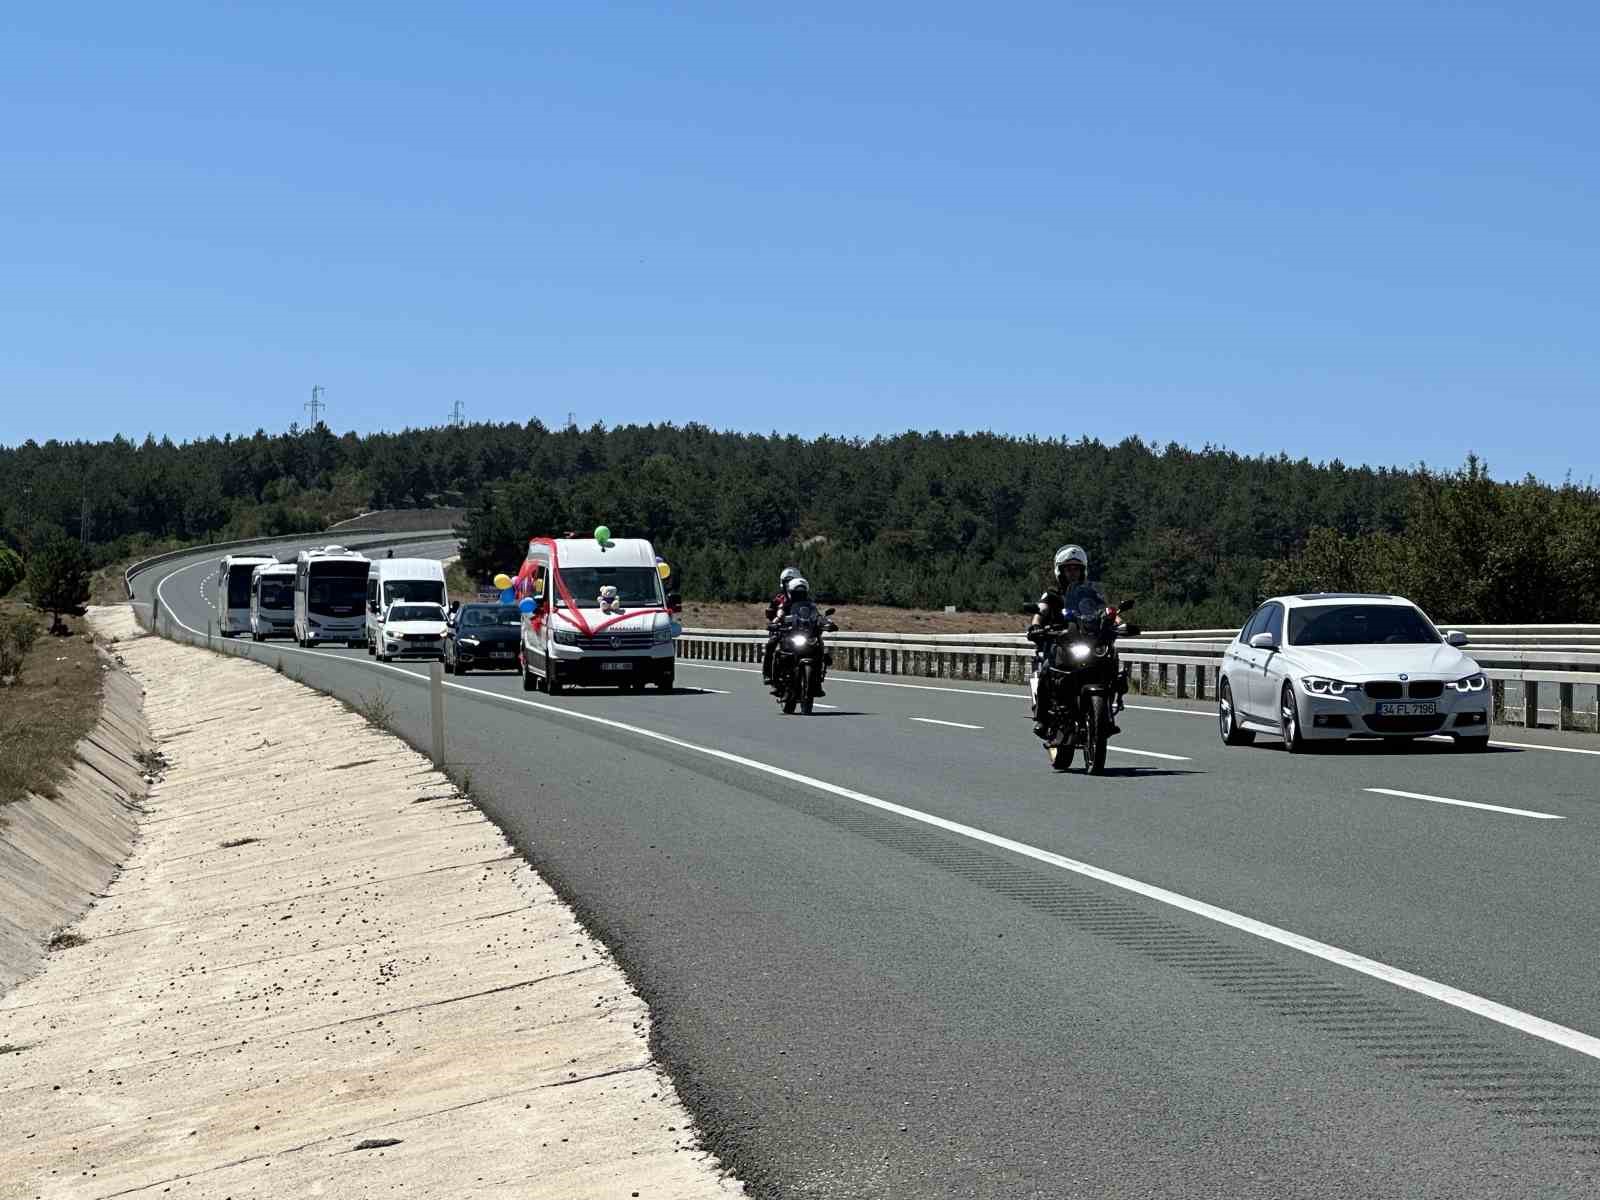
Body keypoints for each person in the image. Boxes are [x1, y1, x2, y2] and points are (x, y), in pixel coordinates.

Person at [1028, 544, 1113, 738]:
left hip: (1084, 640)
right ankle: (1042, 718)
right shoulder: (1052, 594)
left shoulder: (1090, 592)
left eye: (1076, 568)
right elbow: (1041, 610)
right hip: (1059, 642)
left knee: (1108, 663)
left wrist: (1118, 622)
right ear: (1061, 570)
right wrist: (1036, 625)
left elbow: (1105, 609)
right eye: (1069, 568)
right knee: (1047, 670)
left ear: (1083, 570)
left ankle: (1106, 714)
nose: (1073, 572)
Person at [770, 575, 828, 697]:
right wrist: (775, 622)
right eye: (797, 593)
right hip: (791, 634)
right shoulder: (786, 604)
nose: (799, 595)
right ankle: (777, 683)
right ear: (791, 592)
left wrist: (826, 623)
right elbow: (780, 612)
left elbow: (817, 615)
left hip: (807, 635)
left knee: (820, 648)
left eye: (802, 593)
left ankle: (817, 683)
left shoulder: (810, 605)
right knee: (780, 654)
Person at [761, 566, 803, 685]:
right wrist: (774, 621)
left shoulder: (804, 598)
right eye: (787, 581)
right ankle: (768, 674)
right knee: (771, 644)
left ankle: (814, 679)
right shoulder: (779, 598)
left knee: (816, 644)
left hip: (799, 630)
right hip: (782, 629)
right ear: (783, 583)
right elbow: (771, 612)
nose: (789, 584)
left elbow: (811, 611)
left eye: (792, 581)